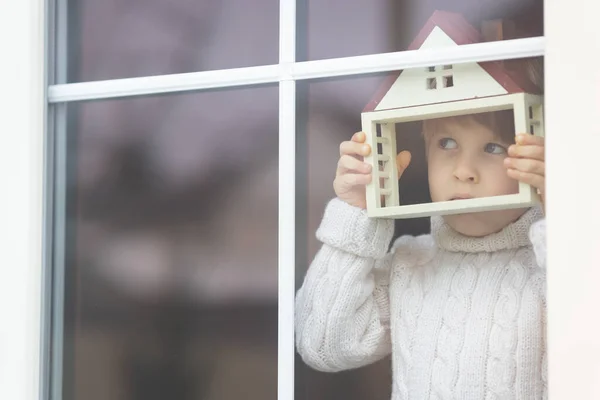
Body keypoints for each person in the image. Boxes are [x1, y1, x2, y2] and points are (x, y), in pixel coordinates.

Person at [294, 110, 547, 399]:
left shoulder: (547, 264)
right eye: (447, 143)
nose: (463, 170)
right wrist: (356, 210)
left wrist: (561, 209)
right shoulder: (410, 261)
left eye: (493, 147)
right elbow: (323, 345)